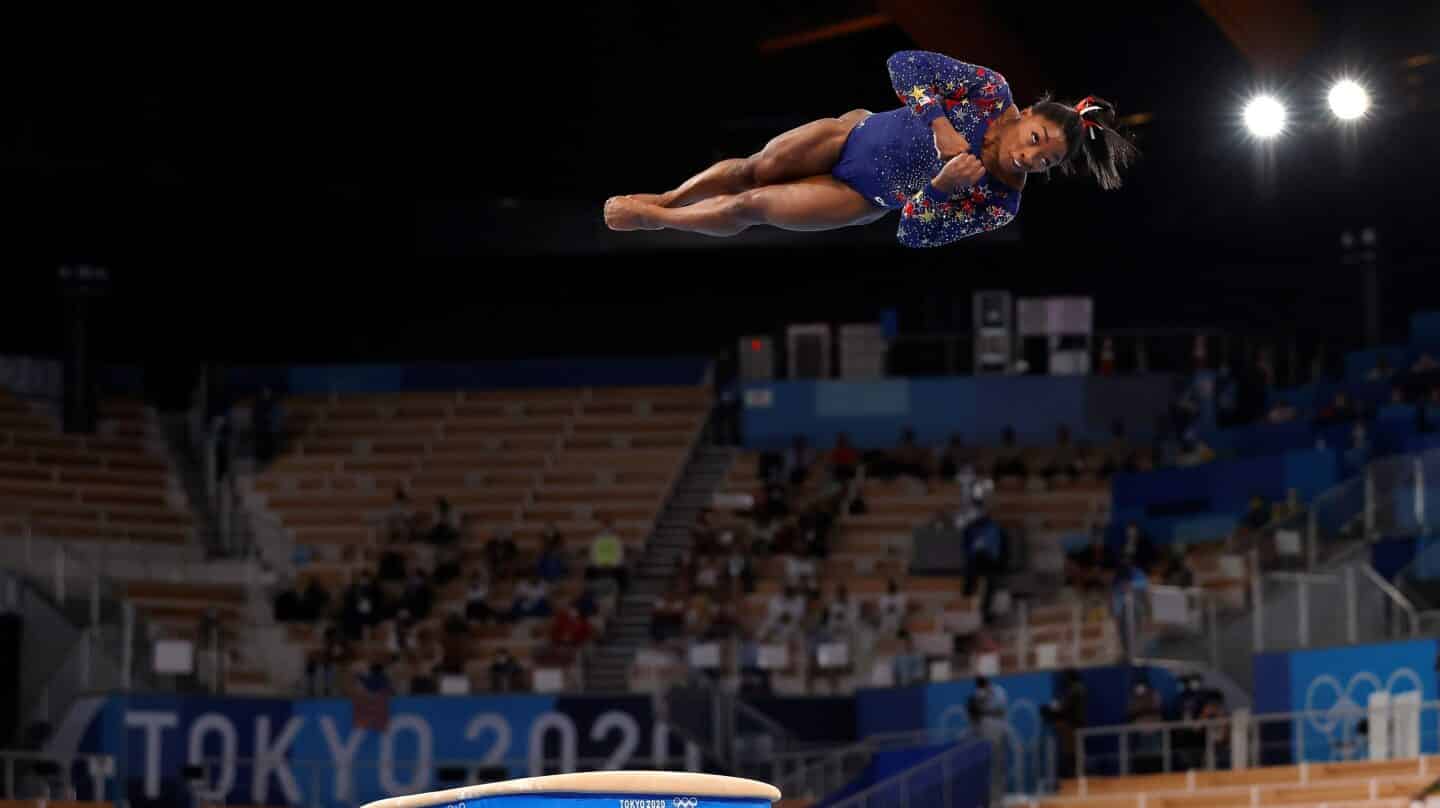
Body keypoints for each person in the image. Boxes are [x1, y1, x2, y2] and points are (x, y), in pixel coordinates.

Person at [605, 51, 1135, 247]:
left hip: (861, 197)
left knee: (754, 205)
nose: (1032, 156)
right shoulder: (990, 90)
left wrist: (938, 188)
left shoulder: (1000, 202)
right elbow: (902, 65)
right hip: (851, 135)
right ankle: (670, 195)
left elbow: (913, 233)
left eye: (1046, 161)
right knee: (755, 169)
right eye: (1037, 140)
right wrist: (939, 124)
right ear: (1030, 114)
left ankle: (657, 220)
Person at [586, 520, 629, 593]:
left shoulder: (616, 540)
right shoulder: (596, 540)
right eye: (605, 527)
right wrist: (600, 565)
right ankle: (590, 592)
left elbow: (620, 556)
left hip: (613, 567)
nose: (606, 529)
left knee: (623, 572)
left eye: (608, 527)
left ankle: (621, 593)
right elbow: (593, 555)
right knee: (588, 572)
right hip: (598, 566)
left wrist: (611, 565)